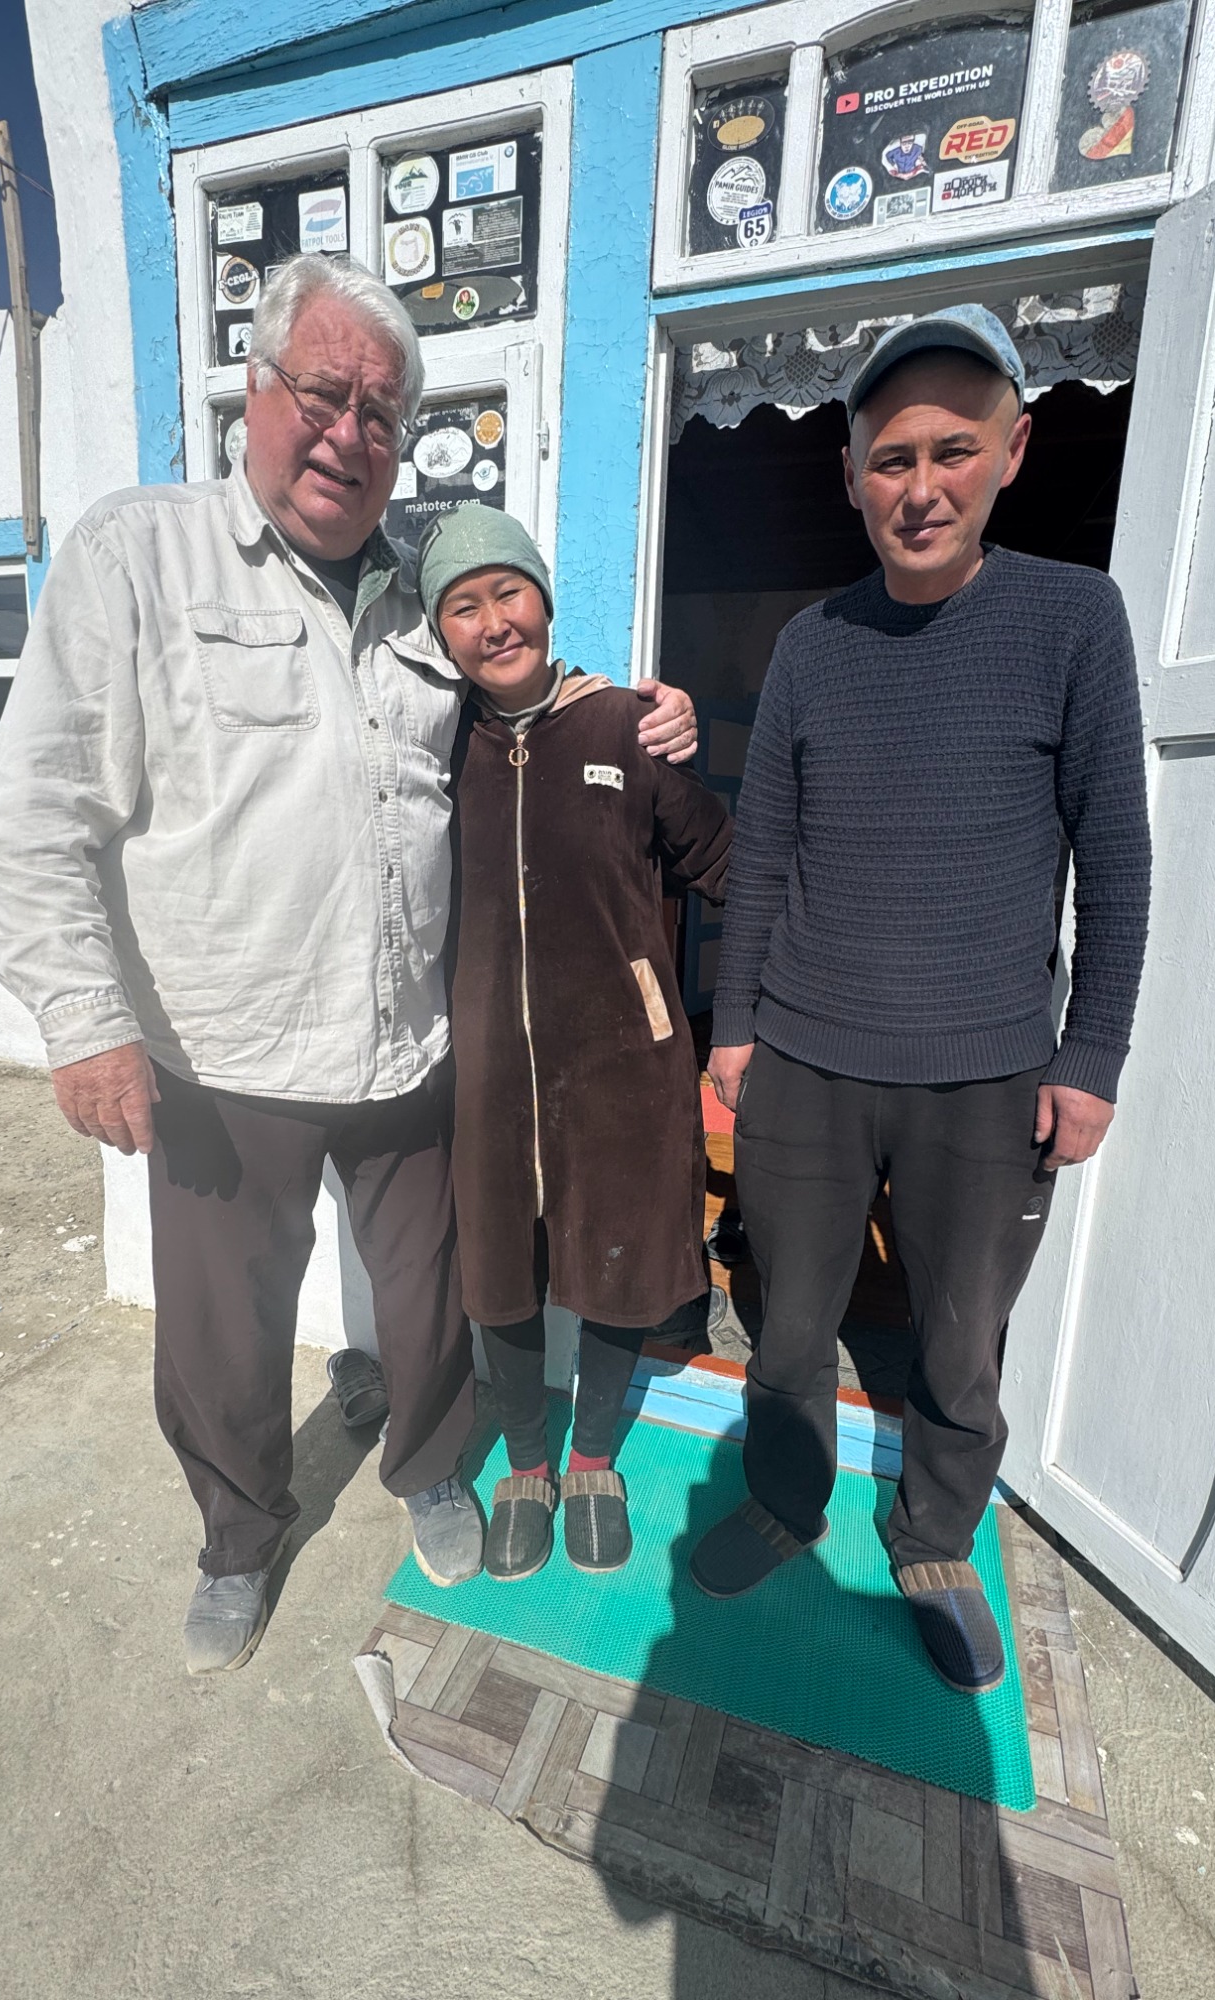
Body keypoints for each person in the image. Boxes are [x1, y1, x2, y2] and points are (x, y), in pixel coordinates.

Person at [0, 255, 696, 1674]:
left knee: (433, 1294)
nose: (350, 434)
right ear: (256, 388)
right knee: (222, 1333)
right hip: (217, 1050)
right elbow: (32, 813)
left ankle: (429, 1465)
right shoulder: (140, 556)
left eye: (382, 412)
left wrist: (642, 713)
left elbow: (523, 704)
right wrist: (82, 1019)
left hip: (410, 1045)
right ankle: (239, 1538)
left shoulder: (424, 593)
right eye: (324, 394)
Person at [690, 305, 1151, 1694]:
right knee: (788, 1326)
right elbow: (765, 850)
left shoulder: (1074, 618)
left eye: (955, 450)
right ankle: (785, 1500)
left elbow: (1114, 852)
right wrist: (733, 1028)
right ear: (851, 477)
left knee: (960, 1340)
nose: (923, 486)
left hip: (988, 1070)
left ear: (1015, 451)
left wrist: (1093, 1053)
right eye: (892, 458)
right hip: (807, 1058)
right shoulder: (813, 644)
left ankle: (936, 1538)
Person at [418, 509, 732, 1580]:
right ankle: (526, 1464)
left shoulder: (623, 729)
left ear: (544, 602)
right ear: (443, 633)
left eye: (508, 593)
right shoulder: (436, 745)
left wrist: (742, 1018)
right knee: (499, 1272)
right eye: (464, 607)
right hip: (486, 1073)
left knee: (615, 1262)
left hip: (621, 1067)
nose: (493, 622)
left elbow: (727, 863)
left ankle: (591, 1458)